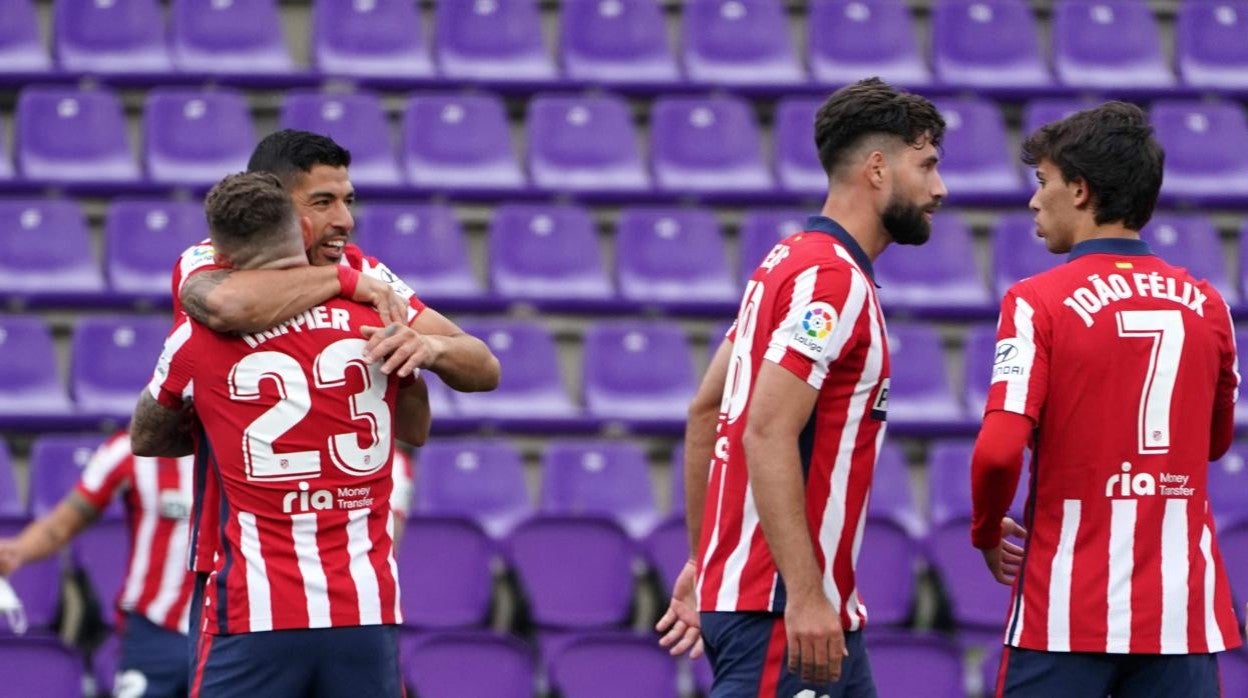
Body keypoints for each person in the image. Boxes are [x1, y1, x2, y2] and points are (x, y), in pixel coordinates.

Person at [657, 77, 947, 696]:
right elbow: (765, 428)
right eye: (926, 166)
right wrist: (805, 595)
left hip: (810, 607)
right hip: (786, 611)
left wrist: (704, 559)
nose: (939, 189)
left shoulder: (786, 263)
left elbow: (706, 408)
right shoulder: (831, 283)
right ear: (877, 168)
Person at [969, 102, 1241, 698]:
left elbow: (996, 453)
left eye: (1044, 183)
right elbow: (1216, 443)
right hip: (1180, 617)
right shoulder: (1210, 304)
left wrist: (987, 529)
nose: (1035, 201)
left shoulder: (1035, 300)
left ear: (1082, 190)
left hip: (1066, 612)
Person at [131, 172, 430, 697]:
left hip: (253, 607)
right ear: (300, 231)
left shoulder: (198, 337)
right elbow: (417, 428)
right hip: (364, 604)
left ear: (221, 257)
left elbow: (147, 437)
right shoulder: (376, 321)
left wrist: (225, 431)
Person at [0, 431, 195, 697]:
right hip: (154, 627)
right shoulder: (129, 450)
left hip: (232, 631)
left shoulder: (253, 454)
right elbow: (59, 527)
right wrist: (16, 550)